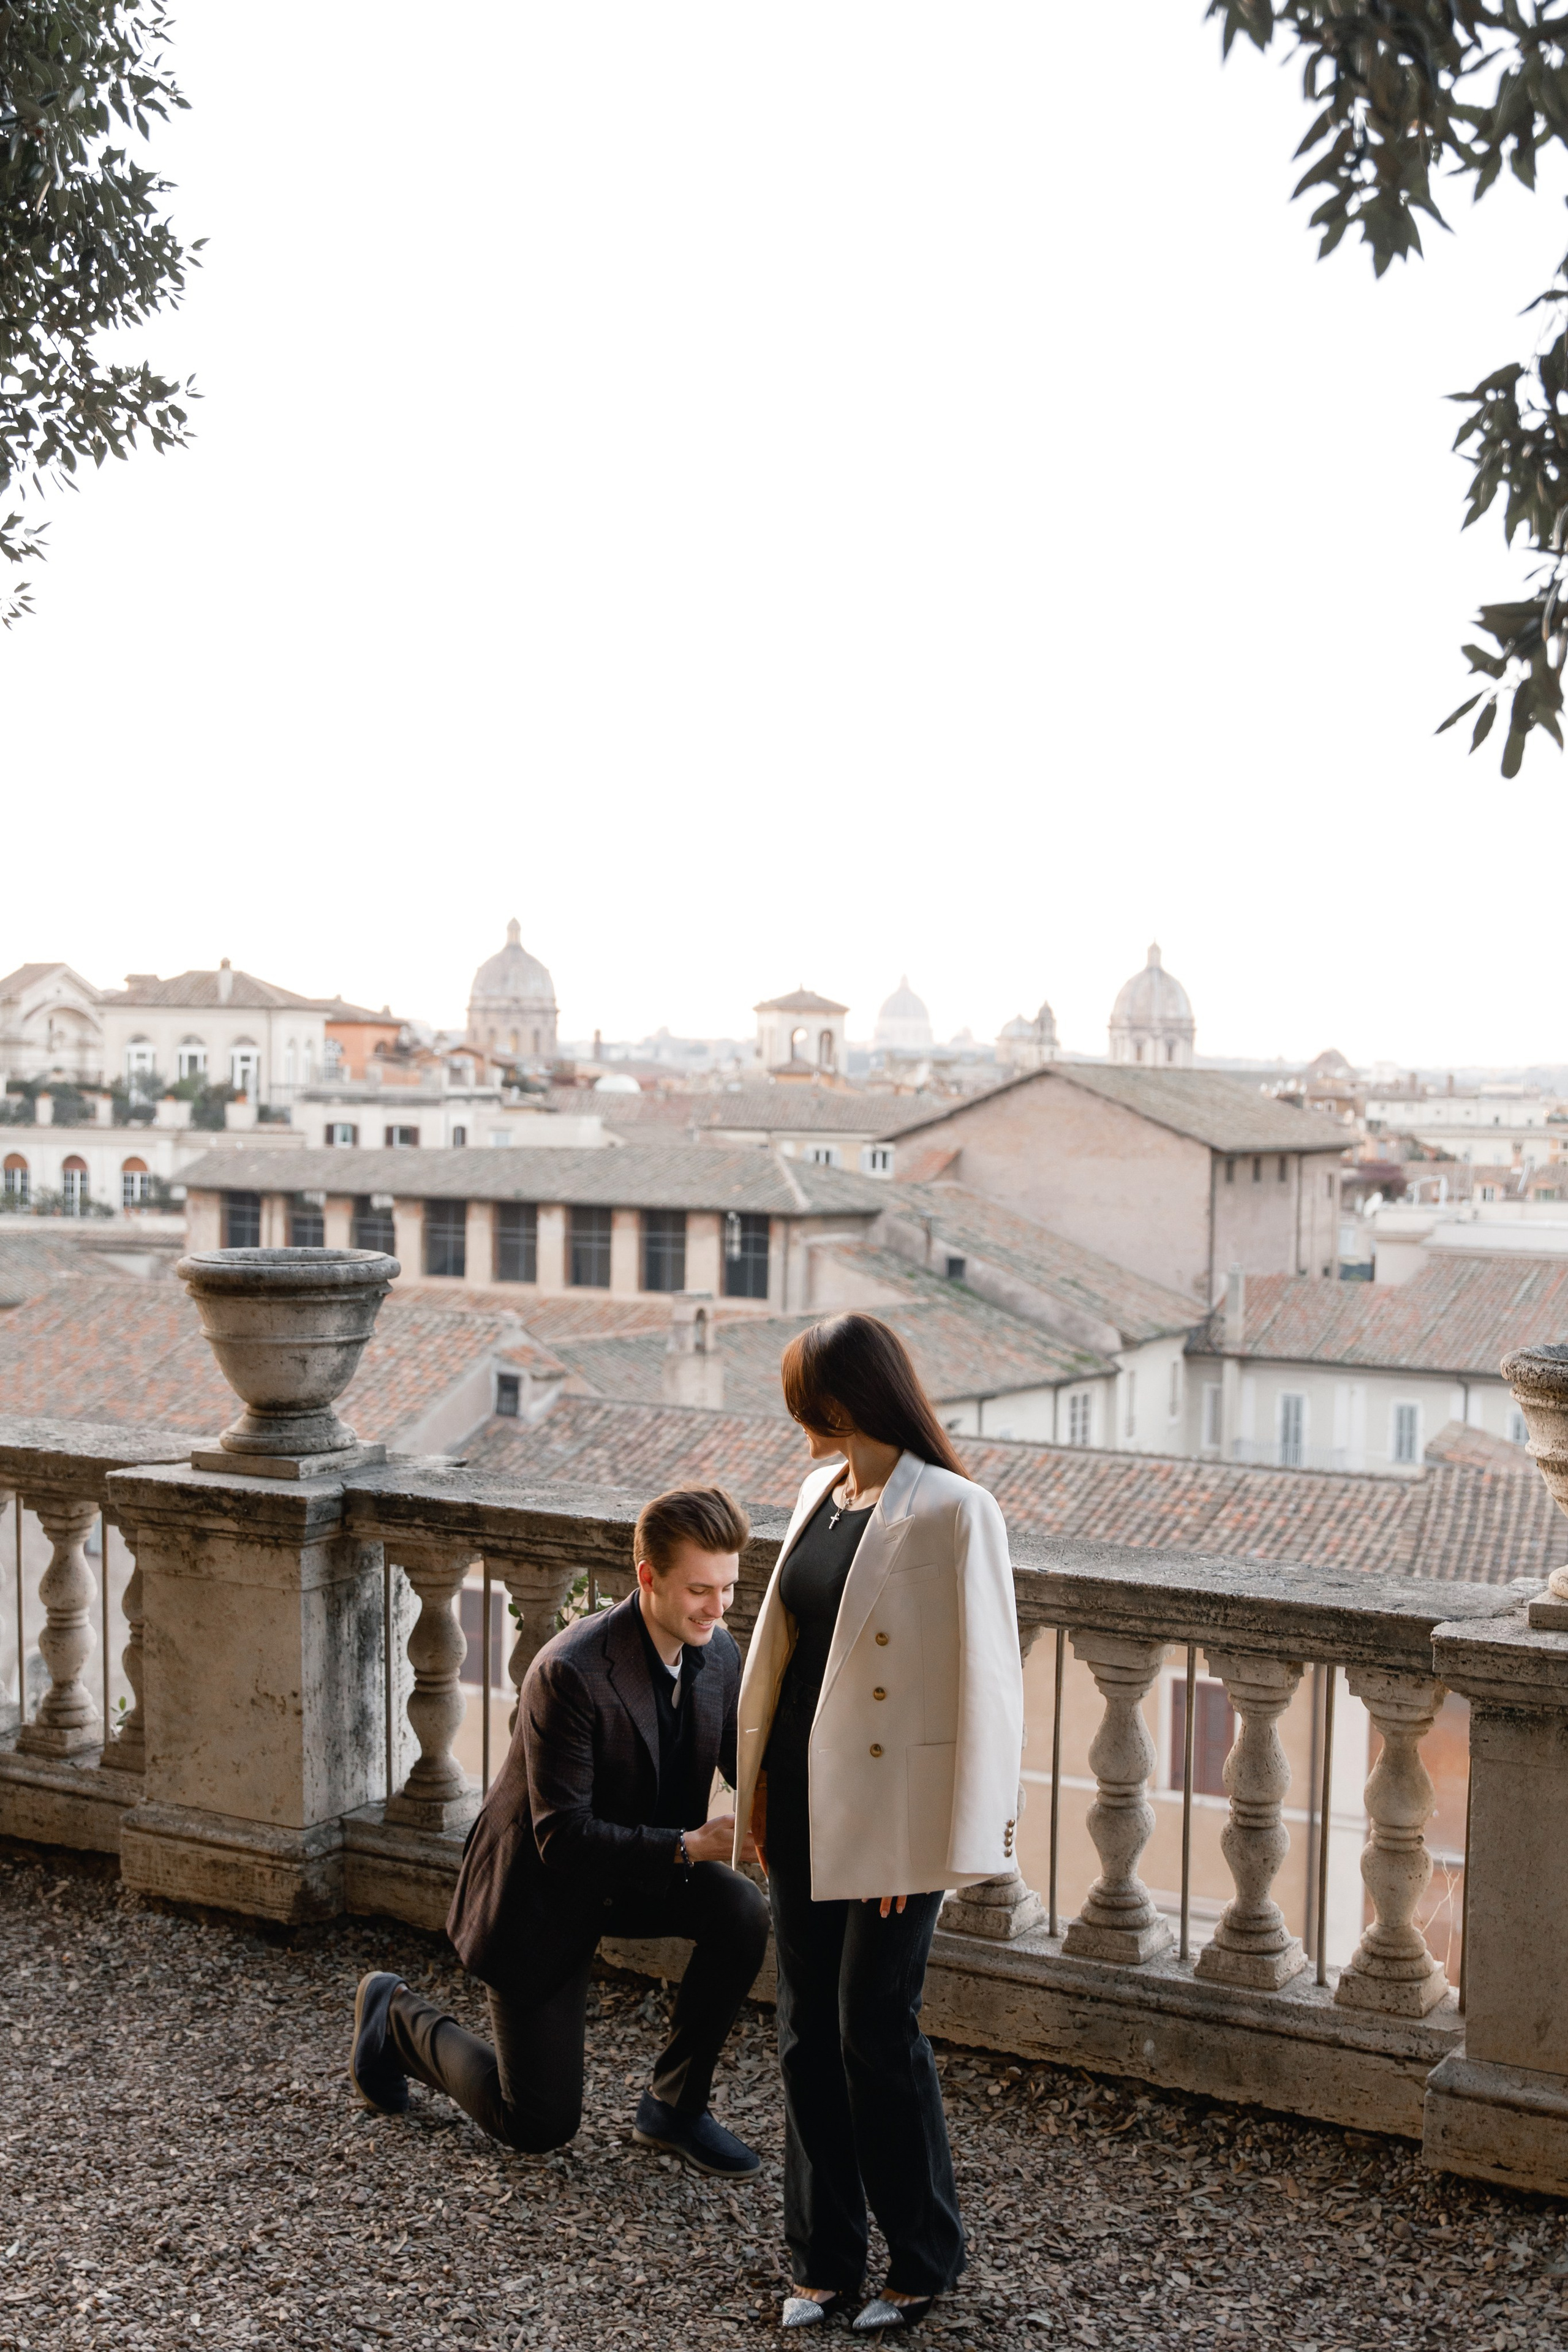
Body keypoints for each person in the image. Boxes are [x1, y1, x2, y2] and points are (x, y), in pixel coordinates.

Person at [734, 1314, 1024, 2334]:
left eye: (803, 1396)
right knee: (805, 2030)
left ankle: (922, 2256)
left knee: (872, 2028)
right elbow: (786, 1658)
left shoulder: (954, 1511)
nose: (795, 1416)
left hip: (891, 1820)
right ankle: (822, 2260)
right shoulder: (822, 1491)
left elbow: (982, 1690)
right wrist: (759, 1788)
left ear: (844, 1397)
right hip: (804, 1799)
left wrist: (931, 1842)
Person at [349, 1485, 771, 2180]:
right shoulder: (570, 1672)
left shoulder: (718, 1651)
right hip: (541, 1891)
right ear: (648, 1578)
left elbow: (747, 1765)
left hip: (634, 1871)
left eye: (728, 1588)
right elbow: (564, 1840)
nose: (718, 1607)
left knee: (740, 1911)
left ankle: (674, 2109)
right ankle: (394, 2017)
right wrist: (690, 1845)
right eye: (700, 1589)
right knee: (538, 2125)